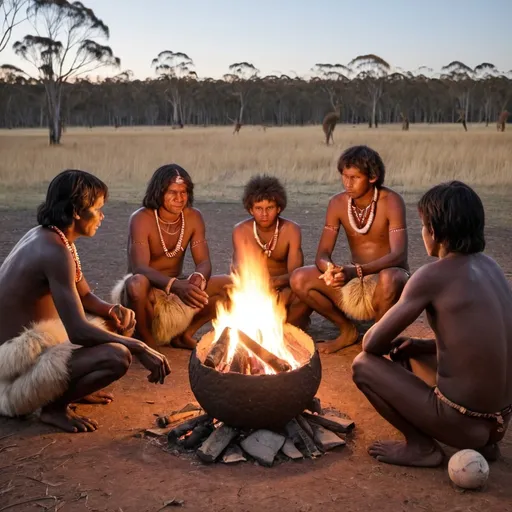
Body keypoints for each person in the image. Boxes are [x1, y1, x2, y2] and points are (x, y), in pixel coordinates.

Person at [352, 181, 512, 467]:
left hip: (462, 422)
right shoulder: (492, 268)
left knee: (363, 365)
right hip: (499, 423)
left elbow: (371, 344)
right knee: (408, 351)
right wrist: (422, 345)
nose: (423, 232)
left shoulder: (432, 276)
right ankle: (486, 446)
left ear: (434, 232)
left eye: (423, 226)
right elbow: (480, 343)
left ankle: (421, 447)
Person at [0, 170, 171, 433]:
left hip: (30, 356)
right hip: (12, 381)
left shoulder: (53, 236)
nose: (102, 216)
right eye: (97, 208)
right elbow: (78, 331)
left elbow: (86, 297)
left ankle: (71, 388)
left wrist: (113, 310)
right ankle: (54, 408)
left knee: (113, 324)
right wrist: (139, 346)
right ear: (76, 211)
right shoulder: (54, 250)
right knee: (118, 355)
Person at [291, 145, 409, 353]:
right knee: (299, 278)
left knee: (391, 278)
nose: (348, 183)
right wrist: (330, 269)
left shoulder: (391, 202)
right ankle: (347, 330)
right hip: (354, 280)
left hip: (384, 281)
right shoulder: (337, 203)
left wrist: (357, 271)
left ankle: (378, 341)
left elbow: (398, 255)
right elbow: (322, 253)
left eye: (354, 177)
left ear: (372, 177)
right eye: (344, 177)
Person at [111, 164, 228, 350]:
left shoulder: (193, 217)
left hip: (176, 287)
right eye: (172, 192)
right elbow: (139, 268)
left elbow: (204, 262)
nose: (179, 198)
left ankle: (184, 335)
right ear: (159, 192)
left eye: (184, 192)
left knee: (229, 284)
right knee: (136, 283)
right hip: (145, 291)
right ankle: (145, 342)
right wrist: (175, 285)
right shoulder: (141, 218)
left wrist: (199, 278)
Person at [231, 175, 311, 327]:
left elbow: (295, 274)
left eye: (270, 208)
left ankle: (287, 329)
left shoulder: (291, 230)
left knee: (305, 289)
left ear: (279, 208)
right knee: (223, 288)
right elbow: (239, 271)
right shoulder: (240, 231)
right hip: (253, 291)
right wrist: (259, 289)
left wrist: (273, 284)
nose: (264, 214)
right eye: (258, 208)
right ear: (250, 210)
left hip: (284, 290)